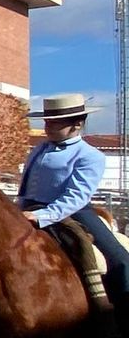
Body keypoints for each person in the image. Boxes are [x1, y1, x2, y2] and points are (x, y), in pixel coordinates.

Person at [19, 93, 125, 312]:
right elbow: (26, 187)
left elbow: (76, 197)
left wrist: (41, 216)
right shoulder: (39, 149)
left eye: (54, 122)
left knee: (120, 260)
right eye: (46, 121)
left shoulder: (90, 155)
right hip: (28, 208)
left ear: (76, 124)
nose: (47, 127)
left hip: (72, 211)